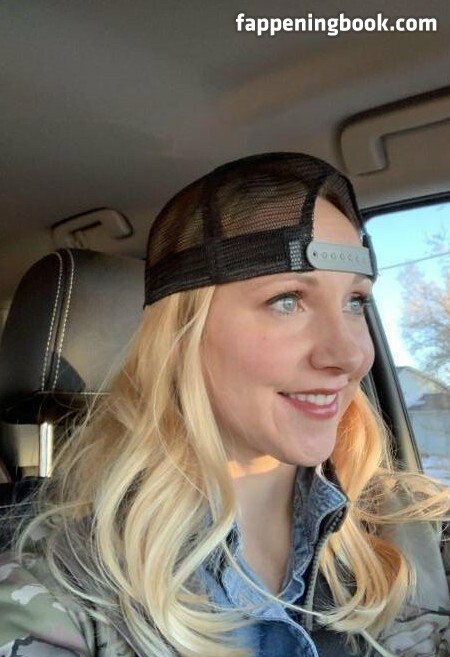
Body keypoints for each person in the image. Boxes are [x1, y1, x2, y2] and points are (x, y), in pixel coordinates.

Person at [0, 152, 448, 657]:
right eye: (287, 300)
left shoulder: (408, 520)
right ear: (182, 337)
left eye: (355, 302)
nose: (349, 355)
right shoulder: (58, 588)